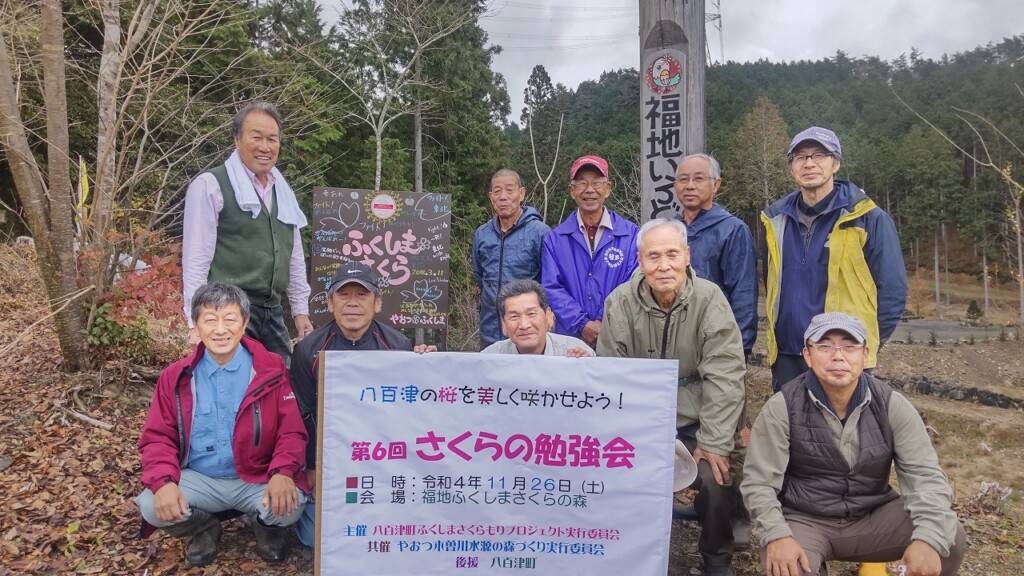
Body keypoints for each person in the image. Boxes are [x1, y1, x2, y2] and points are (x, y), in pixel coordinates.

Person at [742, 312, 966, 576]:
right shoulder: (782, 406)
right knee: (787, 569)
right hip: (804, 519)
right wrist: (776, 534)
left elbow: (925, 476)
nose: (838, 356)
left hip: (873, 516)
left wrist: (928, 539)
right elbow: (759, 482)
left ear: (865, 355)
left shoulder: (892, 405)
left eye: (850, 346)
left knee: (948, 538)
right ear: (807, 355)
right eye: (824, 346)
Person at [598, 218, 747, 576]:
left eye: (671, 255)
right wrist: (631, 434)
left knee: (715, 476)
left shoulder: (710, 299)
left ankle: (716, 558)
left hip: (699, 418)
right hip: (642, 417)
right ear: (639, 261)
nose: (663, 265)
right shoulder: (619, 302)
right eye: (653, 256)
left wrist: (713, 441)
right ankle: (629, 555)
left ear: (687, 256)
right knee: (616, 473)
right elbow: (611, 376)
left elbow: (725, 375)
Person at [135, 283, 308, 567]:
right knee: (151, 506)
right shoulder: (176, 377)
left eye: (229, 319)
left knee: (293, 503)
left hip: (256, 476)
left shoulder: (270, 369)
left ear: (244, 324)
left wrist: (282, 472)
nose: (220, 330)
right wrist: (164, 481)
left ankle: (264, 525)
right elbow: (158, 438)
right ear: (196, 325)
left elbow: (291, 430)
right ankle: (204, 528)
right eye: (210, 320)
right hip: (200, 477)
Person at [290, 260, 434, 548]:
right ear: (330, 303)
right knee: (311, 538)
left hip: (379, 457)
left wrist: (428, 368)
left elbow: (408, 415)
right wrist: (312, 467)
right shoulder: (308, 350)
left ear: (377, 303)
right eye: (343, 295)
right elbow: (303, 413)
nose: (352, 303)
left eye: (362, 295)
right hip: (329, 457)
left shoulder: (398, 346)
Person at [762, 126, 907, 393]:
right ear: (792, 167)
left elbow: (893, 290)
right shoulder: (775, 220)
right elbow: (771, 283)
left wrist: (860, 344)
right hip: (787, 356)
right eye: (800, 156)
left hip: (839, 359)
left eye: (819, 154)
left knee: (840, 433)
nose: (809, 163)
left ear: (836, 163)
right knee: (790, 432)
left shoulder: (868, 218)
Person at [182, 102, 314, 364]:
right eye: (256, 137)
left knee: (280, 384)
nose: (265, 147)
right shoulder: (210, 185)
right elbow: (196, 258)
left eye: (272, 139)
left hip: (272, 311)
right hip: (226, 312)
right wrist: (194, 321)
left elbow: (294, 255)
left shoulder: (283, 192)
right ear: (237, 139)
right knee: (232, 387)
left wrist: (301, 311)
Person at [541, 155, 638, 349]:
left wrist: (605, 321)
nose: (590, 190)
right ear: (572, 191)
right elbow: (551, 287)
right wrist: (582, 324)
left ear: (608, 189)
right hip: (570, 339)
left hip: (618, 337)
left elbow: (632, 282)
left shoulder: (631, 234)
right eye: (582, 183)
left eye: (597, 183)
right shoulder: (555, 238)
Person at [674, 153, 757, 357]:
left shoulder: (732, 229)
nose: (690, 185)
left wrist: (739, 348)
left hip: (716, 340)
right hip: (674, 341)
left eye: (699, 178)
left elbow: (743, 292)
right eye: (683, 179)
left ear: (716, 184)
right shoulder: (671, 230)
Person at [472, 168, 550, 349]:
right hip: (490, 329)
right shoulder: (482, 234)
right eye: (497, 192)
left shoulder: (539, 232)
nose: (503, 197)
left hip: (527, 330)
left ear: (521, 193)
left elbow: (549, 281)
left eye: (509, 190)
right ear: (491, 197)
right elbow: (480, 275)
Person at [483, 279, 594, 357]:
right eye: (514, 316)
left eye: (532, 314)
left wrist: (586, 369)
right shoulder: (488, 359)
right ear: (503, 325)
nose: (524, 325)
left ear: (549, 317)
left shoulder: (577, 352)